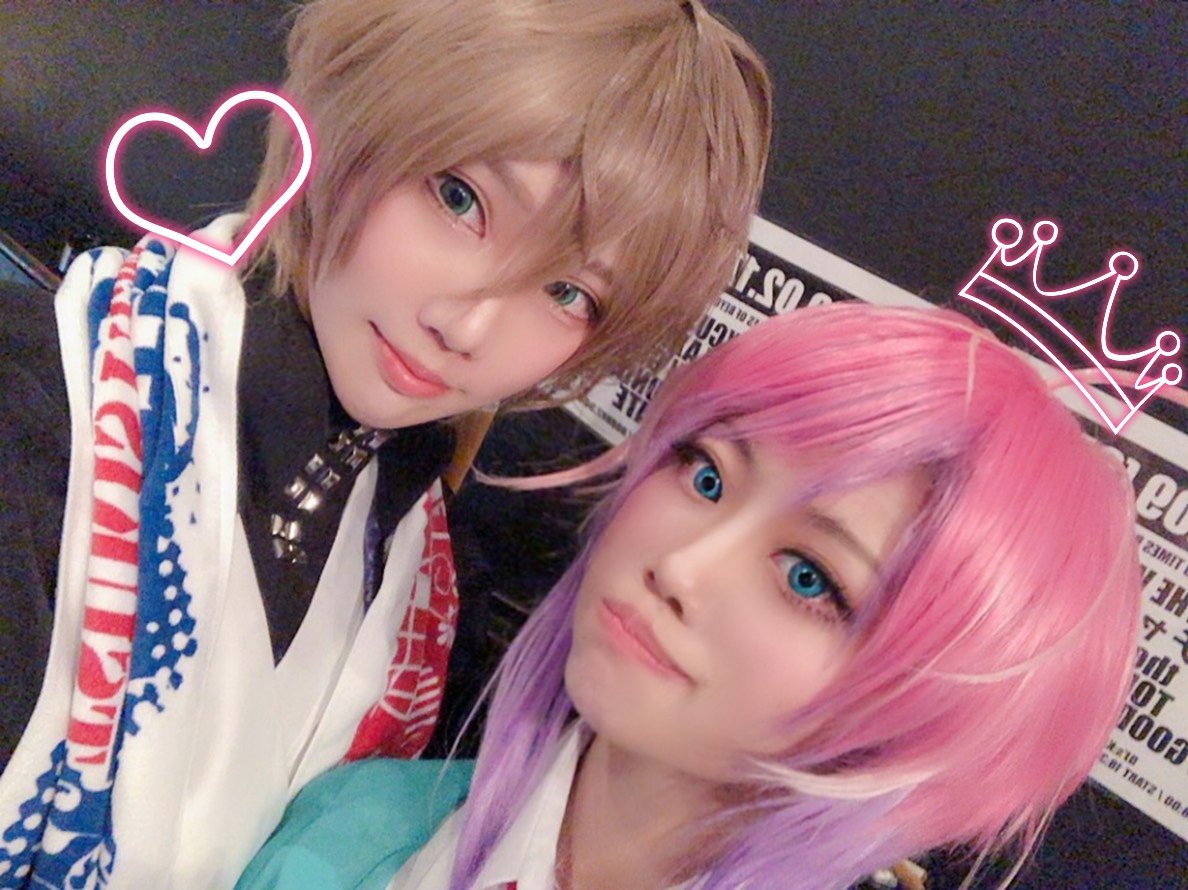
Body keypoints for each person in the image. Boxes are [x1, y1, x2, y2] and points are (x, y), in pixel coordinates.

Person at [0, 1, 772, 886]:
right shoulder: (37, 418)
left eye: (567, 293)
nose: (465, 325)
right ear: (355, 108)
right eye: (460, 199)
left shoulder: (421, 569)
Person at [239, 303, 1142, 890]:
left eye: (808, 577)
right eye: (705, 475)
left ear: (925, 716)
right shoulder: (355, 834)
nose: (682, 568)